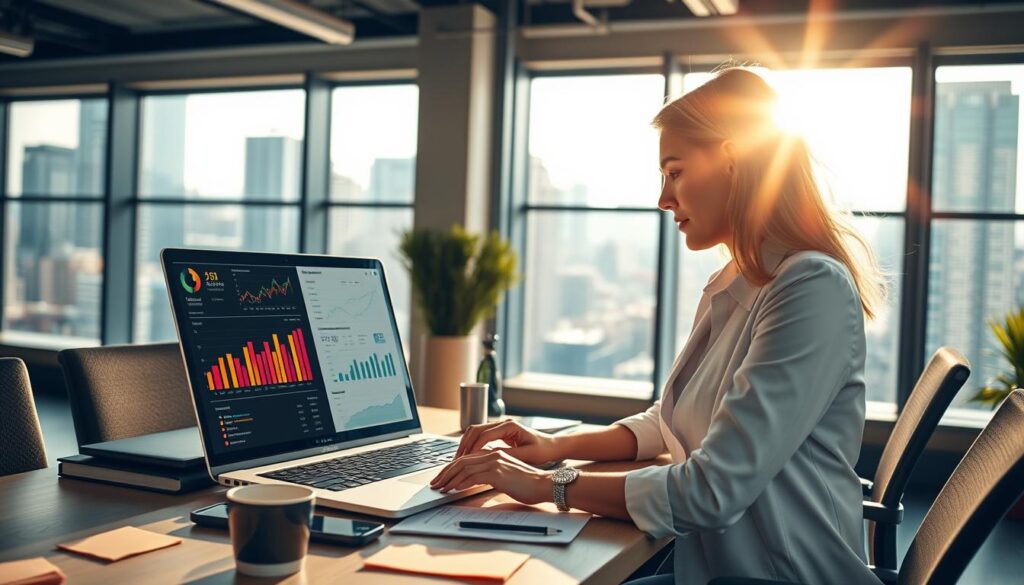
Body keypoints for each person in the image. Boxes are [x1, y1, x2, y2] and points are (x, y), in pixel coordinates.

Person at [429, 67, 886, 585]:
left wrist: (548, 484)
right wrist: (556, 447)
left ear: (733, 160)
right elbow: (671, 420)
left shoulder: (809, 288)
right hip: (718, 569)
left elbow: (710, 491)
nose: (663, 198)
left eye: (675, 172)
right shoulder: (736, 279)